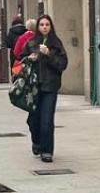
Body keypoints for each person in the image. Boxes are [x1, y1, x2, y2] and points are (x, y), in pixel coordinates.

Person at [23, 14, 69, 163]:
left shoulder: (56, 44)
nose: (44, 27)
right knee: (33, 119)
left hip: (50, 86)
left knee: (47, 120)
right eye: (42, 25)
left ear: (51, 27)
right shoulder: (31, 43)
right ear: (38, 27)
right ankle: (36, 142)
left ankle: (47, 150)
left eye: (47, 25)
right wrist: (29, 59)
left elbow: (62, 64)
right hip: (34, 87)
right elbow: (21, 61)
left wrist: (48, 54)